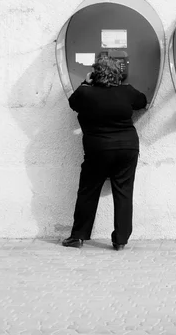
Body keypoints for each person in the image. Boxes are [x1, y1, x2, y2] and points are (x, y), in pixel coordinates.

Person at [62, 55, 147, 250]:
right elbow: (142, 101)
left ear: (95, 74)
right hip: (127, 147)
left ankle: (78, 236)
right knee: (124, 193)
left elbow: (72, 103)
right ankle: (120, 240)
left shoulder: (85, 94)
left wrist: (85, 82)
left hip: (98, 149)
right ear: (119, 74)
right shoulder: (127, 92)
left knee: (88, 191)